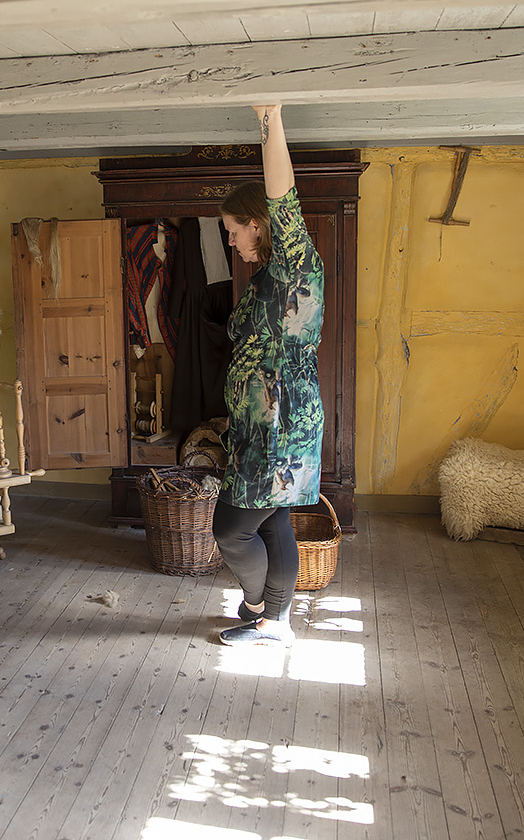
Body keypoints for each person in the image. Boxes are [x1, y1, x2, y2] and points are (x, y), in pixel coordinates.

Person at [212, 104, 325, 646]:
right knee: (273, 521)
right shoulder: (263, 280)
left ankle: (257, 605)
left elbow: (283, 195)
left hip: (279, 429)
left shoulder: (292, 267)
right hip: (262, 426)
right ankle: (273, 622)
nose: (231, 241)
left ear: (257, 224)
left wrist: (270, 118)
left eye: (234, 230)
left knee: (230, 530)